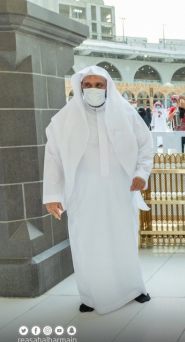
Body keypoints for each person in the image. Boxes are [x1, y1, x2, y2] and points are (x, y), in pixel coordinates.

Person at [43, 66, 152, 314]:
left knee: (123, 237)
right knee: (86, 241)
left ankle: (134, 288)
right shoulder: (64, 119)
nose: (93, 89)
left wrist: (140, 174)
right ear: (80, 87)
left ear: (108, 87)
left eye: (99, 85)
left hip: (119, 190)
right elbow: (53, 158)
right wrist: (52, 195)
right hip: (83, 193)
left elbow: (146, 147)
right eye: (88, 84)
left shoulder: (126, 114)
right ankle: (90, 296)